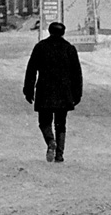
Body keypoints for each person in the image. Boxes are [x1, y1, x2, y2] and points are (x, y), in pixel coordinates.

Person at [23, 22, 82, 163]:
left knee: (44, 122)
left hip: (45, 91)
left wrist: (28, 90)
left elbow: (31, 70)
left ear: (49, 31)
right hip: (64, 92)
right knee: (61, 124)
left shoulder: (40, 47)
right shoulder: (69, 49)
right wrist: (77, 93)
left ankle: (50, 141)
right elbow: (76, 74)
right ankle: (60, 155)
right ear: (63, 33)